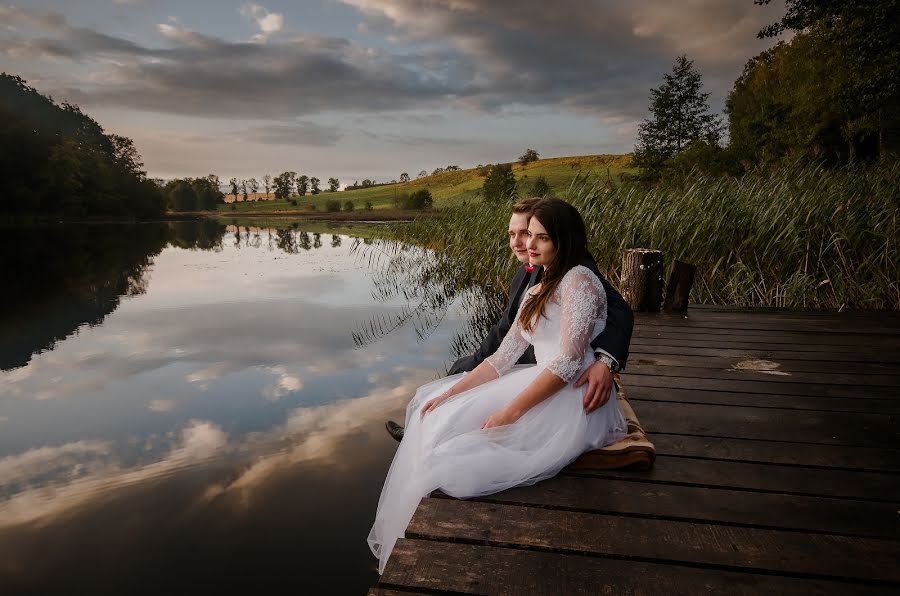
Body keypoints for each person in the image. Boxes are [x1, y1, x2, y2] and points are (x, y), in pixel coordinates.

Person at [369, 198, 627, 573]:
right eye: (523, 235)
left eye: (539, 237)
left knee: (460, 461)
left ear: (564, 239)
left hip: (572, 394)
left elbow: (569, 362)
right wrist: (452, 390)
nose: (527, 244)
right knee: (438, 413)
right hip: (541, 377)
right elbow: (502, 355)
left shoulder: (579, 279)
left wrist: (511, 410)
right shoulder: (538, 283)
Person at [385, 197, 633, 441]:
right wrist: (467, 373)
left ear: (558, 237)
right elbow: (506, 330)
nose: (520, 242)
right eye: (512, 234)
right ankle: (420, 430)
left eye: (528, 233)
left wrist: (605, 362)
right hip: (530, 359)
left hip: (564, 379)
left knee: (473, 427)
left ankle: (428, 431)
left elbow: (619, 311)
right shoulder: (530, 276)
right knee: (459, 376)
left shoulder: (578, 271)